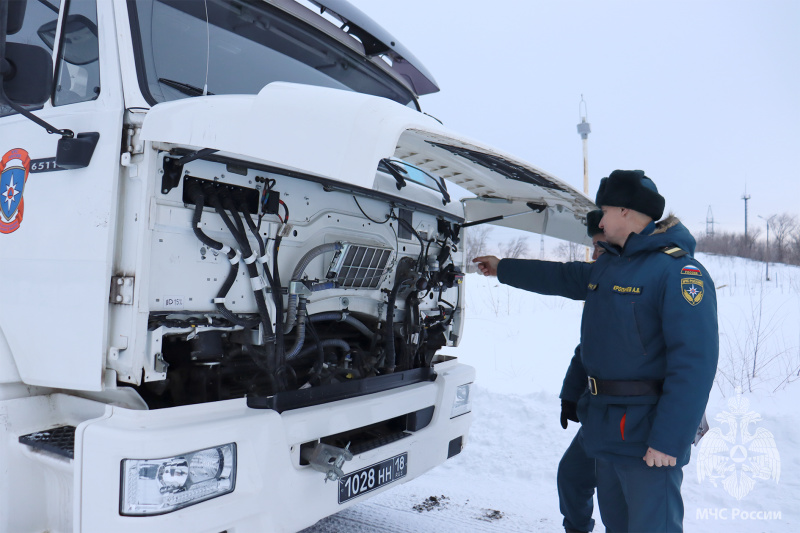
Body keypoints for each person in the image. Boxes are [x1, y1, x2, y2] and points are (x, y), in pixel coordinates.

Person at [473, 170, 718, 533]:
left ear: (625, 211)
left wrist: (669, 440)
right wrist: (502, 268)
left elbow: (695, 364)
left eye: (604, 210)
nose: (599, 221)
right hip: (605, 427)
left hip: (646, 435)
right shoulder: (610, 265)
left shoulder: (679, 272)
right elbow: (562, 277)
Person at [558, 209, 604, 533]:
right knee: (572, 477)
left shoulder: (642, 287)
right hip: (598, 411)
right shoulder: (598, 288)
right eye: (594, 247)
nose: (595, 254)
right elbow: (586, 348)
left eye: (600, 247)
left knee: (623, 502)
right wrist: (571, 396)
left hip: (632, 416)